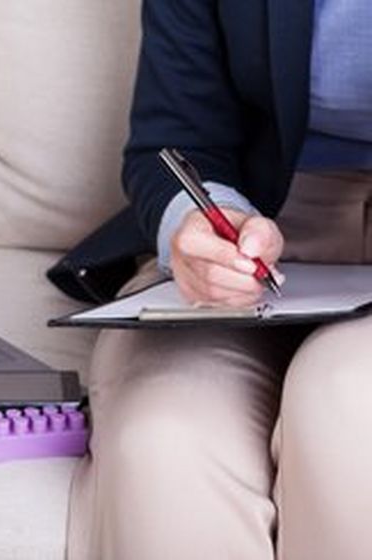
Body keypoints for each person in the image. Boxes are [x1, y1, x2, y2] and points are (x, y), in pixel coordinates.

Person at [62, 1, 372, 558]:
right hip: (266, 221)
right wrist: (202, 219)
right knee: (162, 441)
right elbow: (174, 140)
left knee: (349, 409)